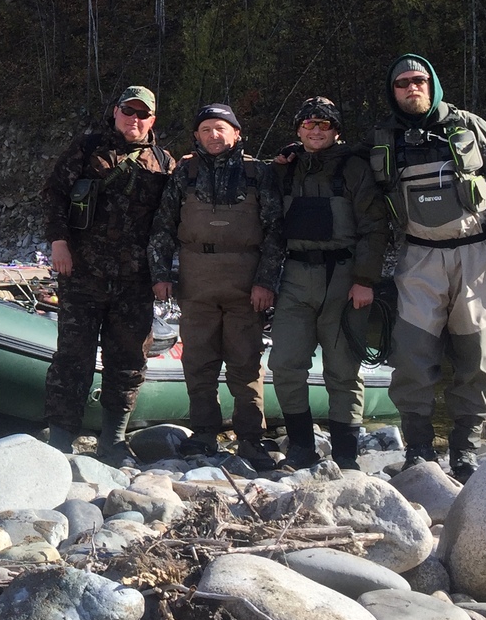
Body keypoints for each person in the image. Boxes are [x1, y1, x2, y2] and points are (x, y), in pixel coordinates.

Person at [372, 55, 486, 480]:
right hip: (418, 256)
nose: (411, 88)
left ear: (432, 84)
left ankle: (466, 448)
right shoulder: (381, 138)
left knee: (477, 357)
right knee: (412, 358)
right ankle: (419, 448)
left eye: (418, 80)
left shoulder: (470, 126)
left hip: (478, 254)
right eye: (402, 83)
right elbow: (342, 172)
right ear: (393, 90)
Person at [41, 86, 177, 467]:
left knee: (130, 361)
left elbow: (172, 222)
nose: (133, 119)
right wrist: (58, 243)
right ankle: (61, 438)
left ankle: (113, 440)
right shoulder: (86, 149)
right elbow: (53, 196)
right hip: (82, 273)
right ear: (115, 112)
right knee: (72, 357)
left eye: (141, 114)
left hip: (135, 281)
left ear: (152, 119)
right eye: (127, 111)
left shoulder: (164, 164)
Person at [151, 103, 284, 469]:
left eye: (221, 128)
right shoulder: (185, 173)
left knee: (246, 364)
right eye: (206, 129)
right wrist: (161, 274)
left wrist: (265, 282)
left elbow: (276, 232)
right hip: (196, 281)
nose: (213, 135)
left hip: (246, 283)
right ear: (196, 135)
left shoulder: (259, 173)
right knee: (198, 362)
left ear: (236, 133)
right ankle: (204, 434)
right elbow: (163, 226)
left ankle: (251, 438)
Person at [269, 97, 388, 469]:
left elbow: (374, 226)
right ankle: (301, 446)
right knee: (285, 363)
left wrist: (365, 280)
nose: (316, 130)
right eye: (308, 124)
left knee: (342, 369)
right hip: (296, 278)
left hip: (344, 278)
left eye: (324, 124)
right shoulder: (284, 168)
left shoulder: (355, 168)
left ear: (336, 130)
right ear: (298, 129)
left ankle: (346, 454)